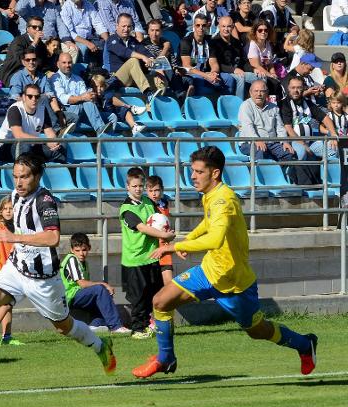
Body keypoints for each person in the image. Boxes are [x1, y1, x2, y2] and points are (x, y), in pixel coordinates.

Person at [131, 146, 318, 379]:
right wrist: (189, 238)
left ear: (215, 173)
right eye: (192, 171)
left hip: (234, 282)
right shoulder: (211, 195)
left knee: (258, 331)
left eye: (199, 171)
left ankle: (304, 344)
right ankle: (166, 358)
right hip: (209, 271)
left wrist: (175, 246)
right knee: (160, 301)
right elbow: (209, 224)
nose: (193, 176)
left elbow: (216, 238)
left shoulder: (224, 200)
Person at [0, 153, 116, 380]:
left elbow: (53, 238)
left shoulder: (45, 201)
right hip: (16, 269)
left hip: (43, 280)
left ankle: (100, 345)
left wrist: (15, 238)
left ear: (37, 176)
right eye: (15, 177)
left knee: (64, 327)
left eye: (24, 177)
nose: (18, 182)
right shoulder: (14, 196)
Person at [120, 167, 175, 340]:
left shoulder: (148, 201)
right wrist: (164, 235)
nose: (138, 189)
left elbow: (159, 221)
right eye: (134, 186)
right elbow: (143, 228)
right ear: (127, 186)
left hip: (151, 257)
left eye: (140, 186)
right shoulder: (126, 209)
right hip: (135, 260)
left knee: (157, 294)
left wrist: (167, 231)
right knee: (139, 298)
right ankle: (138, 329)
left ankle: (154, 325)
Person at [61, 232, 132, 334]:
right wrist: (104, 284)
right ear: (72, 250)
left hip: (78, 295)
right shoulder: (72, 259)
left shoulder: (84, 263)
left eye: (84, 250)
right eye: (77, 250)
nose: (81, 253)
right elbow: (82, 284)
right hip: (70, 297)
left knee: (103, 297)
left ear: (89, 248)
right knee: (100, 290)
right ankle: (116, 326)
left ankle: (95, 325)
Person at [0, 196, 24, 346]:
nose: (9, 211)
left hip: (14, 271)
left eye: (11, 209)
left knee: (8, 304)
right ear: (1, 211)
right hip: (1, 272)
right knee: (5, 303)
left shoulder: (18, 228)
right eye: (5, 209)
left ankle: (6, 336)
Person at [0, 84, 65, 163]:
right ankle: (25, 172)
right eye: (30, 96)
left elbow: (49, 131)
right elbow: (19, 135)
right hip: (5, 148)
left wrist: (54, 142)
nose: (34, 99)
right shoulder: (15, 109)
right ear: (24, 97)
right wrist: (45, 141)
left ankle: (61, 174)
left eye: (37, 96)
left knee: (60, 148)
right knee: (25, 144)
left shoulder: (42, 109)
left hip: (31, 145)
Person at [50, 52, 111, 135]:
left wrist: (89, 96)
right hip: (65, 111)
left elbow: (86, 95)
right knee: (86, 101)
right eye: (64, 63)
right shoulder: (55, 78)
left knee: (112, 117)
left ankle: (104, 139)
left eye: (69, 62)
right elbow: (63, 99)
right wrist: (82, 98)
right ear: (58, 64)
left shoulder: (78, 79)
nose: (67, 65)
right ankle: (100, 129)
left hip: (82, 110)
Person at [281, 75, 338, 161]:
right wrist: (303, 144)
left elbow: (325, 118)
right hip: (294, 142)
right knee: (302, 152)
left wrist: (333, 134)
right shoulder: (285, 104)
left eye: (299, 88)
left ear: (303, 88)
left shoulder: (307, 102)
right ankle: (292, 173)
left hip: (311, 142)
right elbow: (288, 128)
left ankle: (323, 173)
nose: (296, 91)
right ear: (288, 88)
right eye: (293, 87)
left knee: (333, 150)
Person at [8, 49, 65, 130]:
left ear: (37, 61)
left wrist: (58, 112)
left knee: (73, 117)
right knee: (43, 98)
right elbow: (15, 98)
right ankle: (56, 129)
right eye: (28, 60)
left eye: (34, 59)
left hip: (43, 111)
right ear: (23, 62)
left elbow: (52, 97)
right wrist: (33, 101)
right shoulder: (18, 76)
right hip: (26, 111)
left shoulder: (43, 77)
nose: (31, 62)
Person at [238, 80, 294, 159]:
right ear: (250, 92)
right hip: (250, 143)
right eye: (256, 91)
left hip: (272, 143)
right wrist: (256, 140)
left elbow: (280, 128)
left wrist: (284, 141)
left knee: (289, 153)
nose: (259, 94)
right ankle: (262, 171)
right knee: (261, 152)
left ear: (267, 93)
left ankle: (281, 171)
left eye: (262, 91)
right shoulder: (245, 106)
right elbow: (247, 127)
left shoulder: (274, 107)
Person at [105, 14, 155, 98]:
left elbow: (146, 52)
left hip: (134, 77)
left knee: (158, 78)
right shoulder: (111, 40)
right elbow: (124, 52)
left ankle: (154, 105)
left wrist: (150, 60)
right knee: (133, 61)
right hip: (118, 79)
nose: (126, 29)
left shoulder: (132, 41)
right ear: (117, 26)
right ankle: (147, 92)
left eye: (129, 26)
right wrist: (143, 57)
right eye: (123, 26)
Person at [209, 15, 258, 99]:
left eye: (229, 26)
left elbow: (243, 61)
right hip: (225, 72)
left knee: (260, 77)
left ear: (232, 27)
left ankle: (256, 105)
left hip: (239, 71)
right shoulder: (214, 43)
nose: (226, 29)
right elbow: (217, 64)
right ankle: (239, 106)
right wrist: (233, 70)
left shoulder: (236, 42)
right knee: (240, 78)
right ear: (219, 27)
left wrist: (254, 69)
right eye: (223, 26)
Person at [0, 16, 48, 86]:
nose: (37, 29)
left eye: (40, 28)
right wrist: (34, 44)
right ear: (27, 29)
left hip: (33, 75)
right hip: (13, 73)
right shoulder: (19, 40)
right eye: (34, 27)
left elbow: (43, 63)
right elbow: (20, 59)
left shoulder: (41, 45)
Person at [179, 14, 222, 97]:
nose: (201, 28)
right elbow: (187, 66)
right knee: (201, 81)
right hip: (189, 74)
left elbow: (214, 63)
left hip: (206, 72)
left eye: (203, 25)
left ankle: (227, 106)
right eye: (198, 25)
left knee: (229, 79)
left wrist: (214, 73)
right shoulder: (186, 42)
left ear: (207, 26)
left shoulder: (210, 41)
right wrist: (206, 76)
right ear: (194, 26)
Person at [60, 0, 109, 66]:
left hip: (91, 37)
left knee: (105, 44)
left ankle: (104, 69)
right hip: (75, 40)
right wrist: (87, 43)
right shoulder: (66, 7)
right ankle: (84, 70)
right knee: (83, 48)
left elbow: (98, 24)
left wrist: (108, 40)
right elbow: (70, 32)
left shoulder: (88, 4)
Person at [146, 175, 173, 285]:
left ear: (162, 190)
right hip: (150, 248)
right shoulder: (145, 205)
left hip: (164, 247)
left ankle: (170, 302)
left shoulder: (165, 203)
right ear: (146, 191)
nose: (154, 194)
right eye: (150, 190)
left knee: (168, 281)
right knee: (152, 284)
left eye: (156, 190)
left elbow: (165, 222)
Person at [243, 19, 281, 97]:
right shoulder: (252, 44)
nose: (263, 32)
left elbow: (269, 63)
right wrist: (270, 75)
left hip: (264, 71)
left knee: (277, 82)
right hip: (252, 69)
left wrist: (273, 73)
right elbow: (256, 65)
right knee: (272, 82)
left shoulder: (268, 44)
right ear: (255, 32)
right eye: (260, 30)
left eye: (266, 30)